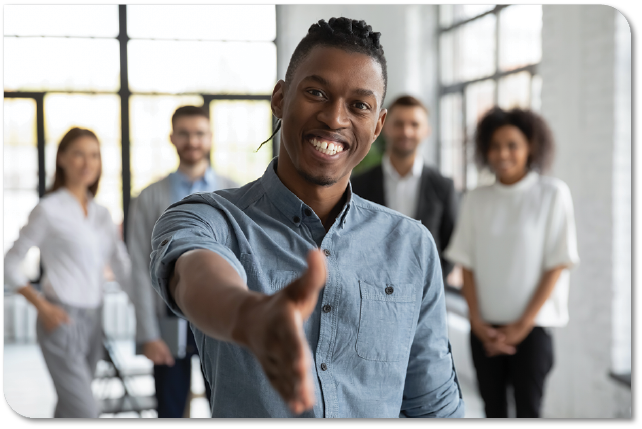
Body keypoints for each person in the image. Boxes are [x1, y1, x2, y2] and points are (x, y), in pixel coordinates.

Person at [147, 17, 464, 418]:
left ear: (378, 124)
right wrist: (248, 316)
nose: (334, 118)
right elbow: (195, 274)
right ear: (280, 98)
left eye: (359, 105)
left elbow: (433, 405)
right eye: (316, 92)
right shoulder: (210, 218)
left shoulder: (411, 244)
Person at [444, 107, 580, 418]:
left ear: (531, 146)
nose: (502, 153)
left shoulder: (552, 194)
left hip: (533, 330)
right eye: (494, 146)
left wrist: (520, 326)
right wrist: (476, 322)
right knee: (492, 411)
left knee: (529, 412)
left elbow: (557, 264)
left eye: (512, 145)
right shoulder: (476, 198)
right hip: (484, 330)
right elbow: (467, 265)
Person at [4, 127, 131, 418]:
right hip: (60, 317)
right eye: (78, 154)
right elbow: (10, 263)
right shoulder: (49, 209)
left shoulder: (102, 213)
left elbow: (122, 268)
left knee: (70, 410)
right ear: (61, 159)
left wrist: (151, 307)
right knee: (86, 412)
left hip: (96, 318)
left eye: (94, 156)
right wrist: (42, 306)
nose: (87, 163)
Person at [127, 105, 237, 418]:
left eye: (199, 133)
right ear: (172, 138)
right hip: (168, 317)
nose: (193, 141)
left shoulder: (234, 191)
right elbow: (138, 266)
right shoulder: (148, 197)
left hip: (221, 315)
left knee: (226, 405)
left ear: (211, 138)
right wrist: (147, 333)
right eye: (185, 134)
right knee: (171, 409)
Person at [351, 95, 457, 281]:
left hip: (425, 294)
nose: (406, 132)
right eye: (398, 124)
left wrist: (432, 286)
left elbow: (451, 246)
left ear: (427, 131)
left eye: (414, 125)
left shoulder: (443, 186)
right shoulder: (358, 185)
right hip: (369, 289)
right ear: (384, 127)